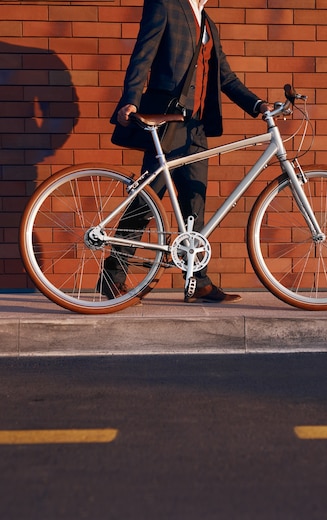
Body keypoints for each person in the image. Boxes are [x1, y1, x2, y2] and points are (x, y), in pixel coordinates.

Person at [102, 0, 271, 303]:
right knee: (147, 199)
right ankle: (112, 275)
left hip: (196, 126)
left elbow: (226, 78)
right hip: (167, 118)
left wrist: (258, 105)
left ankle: (197, 278)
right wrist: (130, 100)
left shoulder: (207, 21)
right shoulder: (165, 4)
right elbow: (143, 55)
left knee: (195, 200)